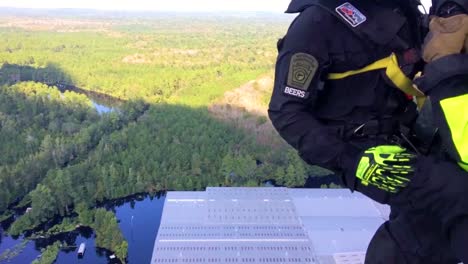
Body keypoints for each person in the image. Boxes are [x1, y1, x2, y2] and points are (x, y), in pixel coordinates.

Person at [268, 0, 468, 262]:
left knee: (423, 225)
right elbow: (287, 113)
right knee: (458, 194)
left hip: (410, 138)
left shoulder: (402, 10)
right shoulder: (316, 23)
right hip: (362, 154)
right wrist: (353, 161)